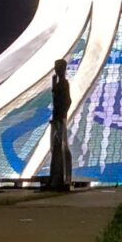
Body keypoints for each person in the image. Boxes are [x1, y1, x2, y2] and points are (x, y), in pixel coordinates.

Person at [47, 59, 72, 190]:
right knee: (55, 148)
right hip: (57, 118)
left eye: (58, 68)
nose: (56, 70)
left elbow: (67, 101)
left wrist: (62, 115)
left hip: (59, 119)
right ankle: (55, 178)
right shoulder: (59, 83)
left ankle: (60, 179)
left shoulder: (64, 84)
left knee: (59, 146)